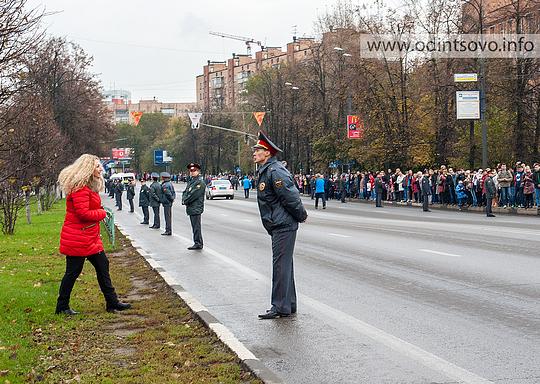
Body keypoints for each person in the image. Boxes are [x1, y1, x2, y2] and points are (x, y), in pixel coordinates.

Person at [56, 154, 131, 315]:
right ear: (88, 169)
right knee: (72, 272)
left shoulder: (87, 187)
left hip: (88, 237)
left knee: (103, 266)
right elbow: (83, 213)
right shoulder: (80, 189)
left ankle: (112, 303)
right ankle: (62, 306)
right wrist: (102, 213)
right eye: (97, 166)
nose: (100, 169)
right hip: (78, 238)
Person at [252, 131, 307, 320]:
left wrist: (301, 215)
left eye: (258, 150)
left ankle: (279, 306)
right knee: (285, 264)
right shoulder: (268, 170)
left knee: (280, 266)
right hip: (278, 223)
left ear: (267, 153)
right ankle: (288, 304)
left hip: (283, 224)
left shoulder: (275, 171)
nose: (254, 153)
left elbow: (290, 196)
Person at [182, 163, 205, 250]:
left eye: (194, 170)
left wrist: (185, 200)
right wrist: (184, 199)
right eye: (191, 171)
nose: (192, 172)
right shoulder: (191, 181)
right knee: (194, 226)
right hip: (191, 208)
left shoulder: (199, 182)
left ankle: (198, 243)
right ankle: (197, 242)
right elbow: (185, 192)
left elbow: (194, 195)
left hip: (196, 207)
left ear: (198, 171)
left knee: (196, 227)